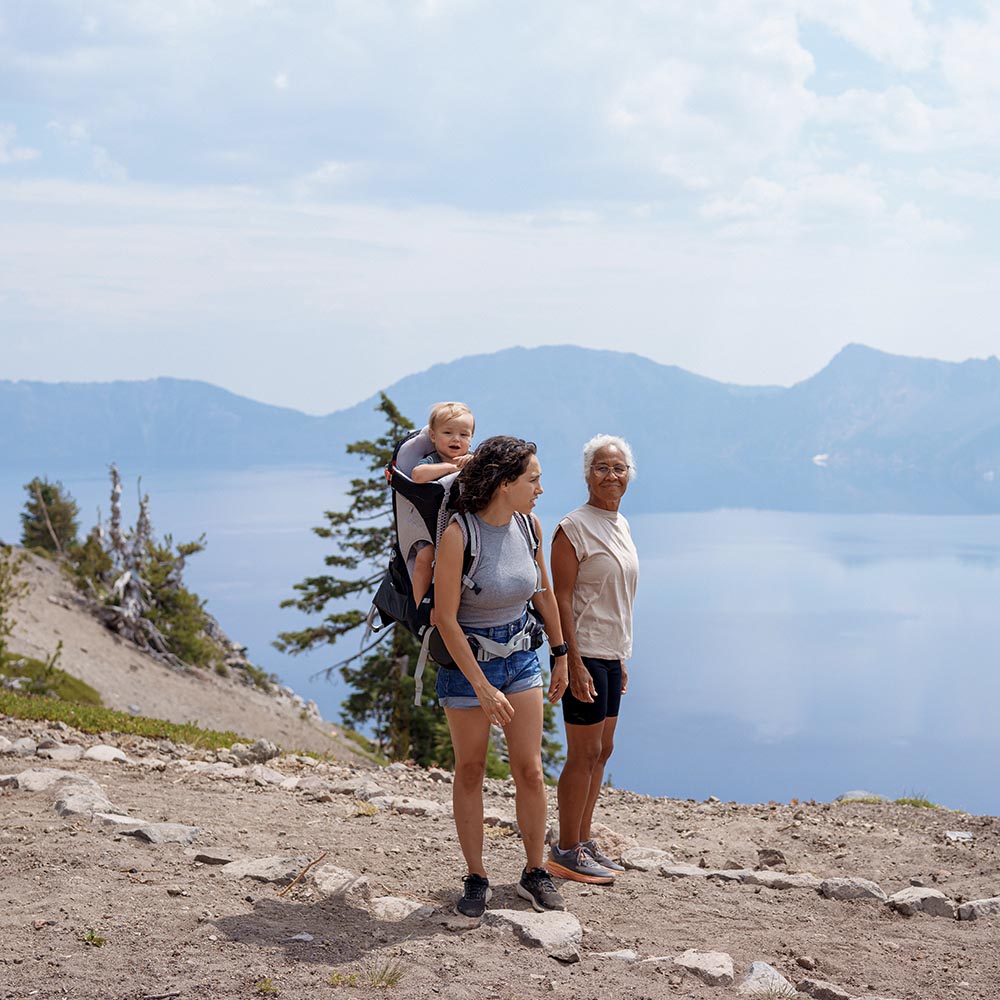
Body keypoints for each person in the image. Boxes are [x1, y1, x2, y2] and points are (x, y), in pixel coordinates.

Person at [434, 436, 571, 917]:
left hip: (520, 661)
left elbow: (543, 595)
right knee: (470, 770)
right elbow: (445, 620)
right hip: (468, 668)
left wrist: (561, 653)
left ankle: (535, 872)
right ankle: (476, 877)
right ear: (504, 483)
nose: (540, 488)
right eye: (532, 479)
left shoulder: (529, 526)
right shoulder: (458, 535)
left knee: (530, 770)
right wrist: (481, 686)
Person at [547, 435, 639, 885]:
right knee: (582, 754)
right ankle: (564, 849)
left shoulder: (619, 523)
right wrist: (572, 661)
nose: (611, 475)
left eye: (619, 468)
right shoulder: (573, 528)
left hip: (610, 653)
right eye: (602, 468)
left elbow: (617, 597)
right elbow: (560, 599)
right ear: (587, 474)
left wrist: (621, 656)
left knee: (602, 751)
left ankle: (582, 840)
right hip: (583, 653)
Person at [409, 401, 476, 607]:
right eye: (448, 433)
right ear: (433, 436)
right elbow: (417, 475)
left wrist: (472, 463)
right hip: (429, 529)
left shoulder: (471, 460)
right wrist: (449, 468)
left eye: (464, 435)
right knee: (424, 557)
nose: (456, 439)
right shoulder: (432, 460)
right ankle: (421, 606)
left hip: (463, 529)